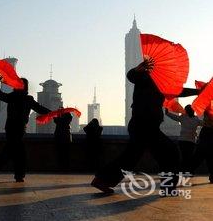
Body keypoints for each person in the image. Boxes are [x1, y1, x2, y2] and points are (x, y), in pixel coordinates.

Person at [91, 59, 199, 194]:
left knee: (131, 157)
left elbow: (178, 91)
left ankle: (102, 180)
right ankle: (168, 188)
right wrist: (137, 69)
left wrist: (198, 91)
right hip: (144, 125)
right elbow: (131, 76)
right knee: (170, 153)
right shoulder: (145, 77)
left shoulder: (161, 84)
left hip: (144, 126)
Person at [0, 76, 50, 182]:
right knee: (17, 153)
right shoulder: (24, 99)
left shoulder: (16, 97)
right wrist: (54, 113)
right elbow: (40, 109)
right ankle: (14, 174)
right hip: (17, 129)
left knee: (10, 152)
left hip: (13, 129)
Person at [165, 105, 202, 172]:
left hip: (182, 140)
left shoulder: (183, 117)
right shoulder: (196, 119)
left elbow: (174, 117)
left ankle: (182, 170)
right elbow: (206, 123)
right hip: (191, 141)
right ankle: (187, 170)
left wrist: (167, 112)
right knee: (189, 157)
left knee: (183, 156)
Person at [190, 110, 213, 182]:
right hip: (209, 143)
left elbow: (201, 138)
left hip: (203, 144)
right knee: (210, 160)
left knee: (197, 158)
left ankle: (190, 171)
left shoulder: (204, 128)